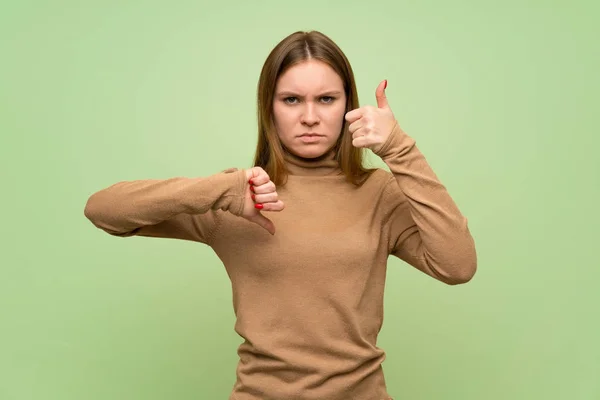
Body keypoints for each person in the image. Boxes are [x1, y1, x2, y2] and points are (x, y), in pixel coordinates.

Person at [84, 30, 477, 400]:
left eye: (326, 99)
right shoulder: (240, 196)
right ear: (269, 108)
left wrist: (399, 148)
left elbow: (457, 266)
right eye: (291, 100)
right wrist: (221, 189)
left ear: (348, 106)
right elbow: (103, 210)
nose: (309, 117)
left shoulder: (378, 193)